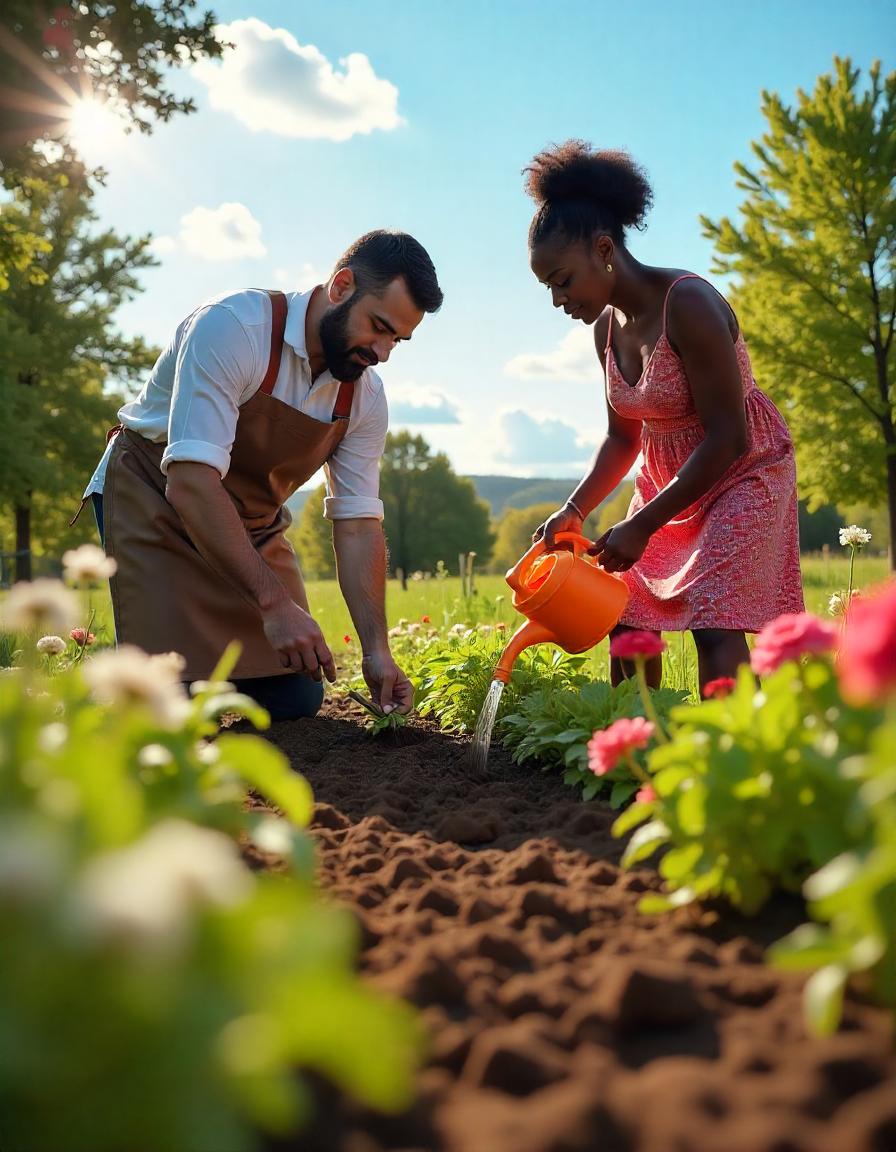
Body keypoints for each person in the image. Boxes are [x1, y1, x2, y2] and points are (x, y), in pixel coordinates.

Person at [81, 230, 443, 721]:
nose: (382, 353)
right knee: (165, 707)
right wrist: (274, 605)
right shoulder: (233, 328)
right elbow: (190, 483)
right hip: (157, 504)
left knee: (296, 697)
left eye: (397, 339)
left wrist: (377, 650)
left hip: (251, 522)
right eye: (378, 327)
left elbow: (357, 526)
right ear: (340, 287)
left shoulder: (365, 397)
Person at [525, 141, 804, 693]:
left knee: (715, 623)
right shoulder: (606, 329)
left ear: (604, 250)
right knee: (626, 619)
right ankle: (638, 750)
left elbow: (729, 436)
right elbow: (620, 437)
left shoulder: (689, 304)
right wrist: (574, 510)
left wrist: (644, 523)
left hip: (742, 471)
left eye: (562, 280)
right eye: (548, 287)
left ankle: (729, 761)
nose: (558, 299)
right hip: (665, 480)